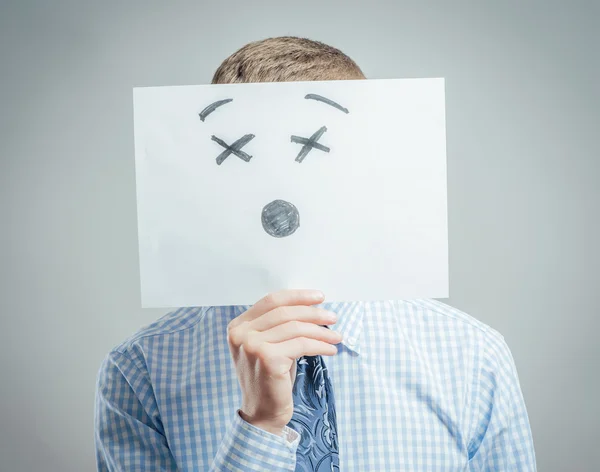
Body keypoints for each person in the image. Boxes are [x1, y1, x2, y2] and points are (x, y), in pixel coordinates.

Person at [95, 36, 536, 471]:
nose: (279, 200)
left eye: (314, 151)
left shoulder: (472, 356)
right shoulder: (140, 373)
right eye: (236, 154)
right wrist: (259, 425)